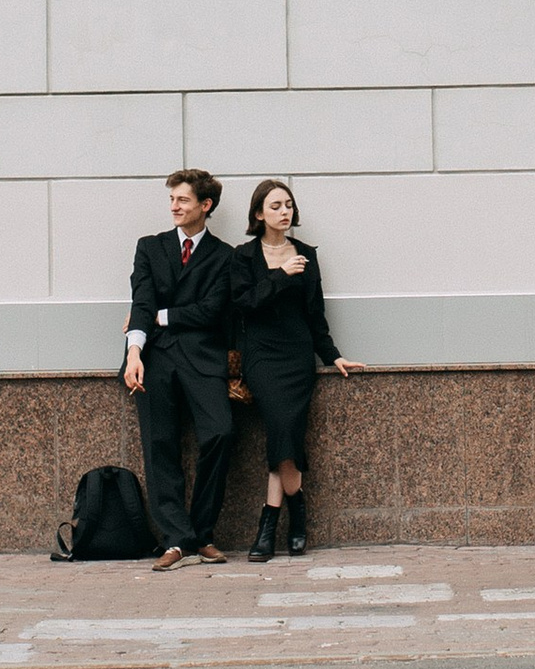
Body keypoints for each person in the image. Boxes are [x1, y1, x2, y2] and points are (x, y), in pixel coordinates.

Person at [232, 177, 361, 561]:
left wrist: (331, 354)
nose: (284, 211)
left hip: (296, 356)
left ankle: (270, 527)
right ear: (258, 213)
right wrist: (280, 275)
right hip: (261, 356)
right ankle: (294, 514)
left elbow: (314, 313)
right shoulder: (244, 256)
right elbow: (242, 304)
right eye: (275, 206)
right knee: (281, 426)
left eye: (288, 204)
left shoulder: (306, 253)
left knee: (283, 433)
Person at [125, 167, 240, 567]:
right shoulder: (149, 247)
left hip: (203, 359)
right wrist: (134, 352)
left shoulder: (225, 256)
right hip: (155, 358)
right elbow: (141, 301)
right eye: (172, 199)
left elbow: (212, 311)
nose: (174, 206)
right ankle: (177, 538)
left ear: (205, 206)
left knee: (220, 432)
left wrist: (163, 316)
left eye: (183, 200)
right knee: (160, 445)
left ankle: (202, 532)